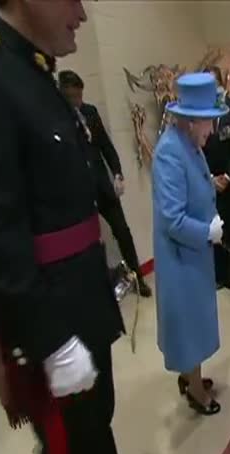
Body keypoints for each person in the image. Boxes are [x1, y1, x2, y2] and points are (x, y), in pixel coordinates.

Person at [0, 1, 125, 454]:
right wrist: (50, 342)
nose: (82, 13)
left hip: (82, 304)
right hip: (55, 324)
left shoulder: (34, 71)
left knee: (96, 439)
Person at [152, 72, 228, 415]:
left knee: (195, 320)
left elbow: (196, 182)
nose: (211, 131)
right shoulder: (170, 152)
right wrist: (207, 232)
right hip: (181, 257)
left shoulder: (189, 144)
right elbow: (172, 218)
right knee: (191, 326)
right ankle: (196, 390)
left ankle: (189, 376)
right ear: (189, 119)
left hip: (194, 256)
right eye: (208, 123)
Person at [58, 69, 152, 297]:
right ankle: (97, 288)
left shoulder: (90, 112)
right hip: (78, 190)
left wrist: (117, 173)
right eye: (72, 97)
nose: (77, 102)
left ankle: (138, 277)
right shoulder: (57, 117)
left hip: (102, 185)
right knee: (87, 241)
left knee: (122, 230)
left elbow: (106, 147)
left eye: (79, 96)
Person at [203, 65, 230, 291]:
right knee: (216, 230)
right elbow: (199, 149)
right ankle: (222, 273)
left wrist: (228, 177)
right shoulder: (200, 113)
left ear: (221, 83)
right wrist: (211, 178)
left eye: (214, 82)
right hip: (210, 184)